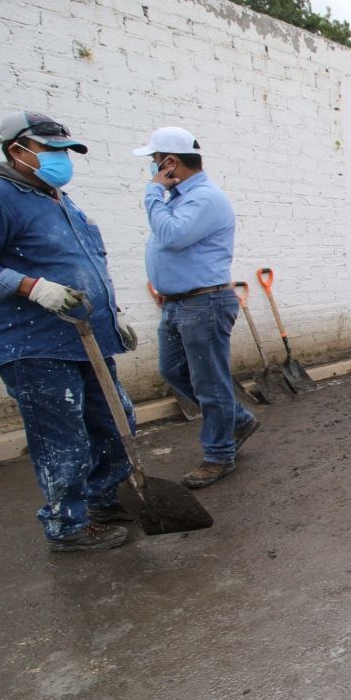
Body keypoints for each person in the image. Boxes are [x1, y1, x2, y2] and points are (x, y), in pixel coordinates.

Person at [0, 111, 134, 552]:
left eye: (67, 151)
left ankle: (103, 501)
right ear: (18, 150)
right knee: (63, 441)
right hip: (36, 343)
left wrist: (112, 314)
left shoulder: (58, 199)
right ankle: (67, 525)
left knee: (115, 422)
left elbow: (87, 263)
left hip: (88, 339)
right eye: (52, 150)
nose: (63, 159)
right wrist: (31, 287)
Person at [133, 126, 257, 489]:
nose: (153, 167)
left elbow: (172, 236)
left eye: (155, 160)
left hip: (203, 303)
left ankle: (218, 454)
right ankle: (237, 420)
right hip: (179, 303)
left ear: (170, 162)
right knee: (174, 371)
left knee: (209, 382)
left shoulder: (204, 198)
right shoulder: (179, 198)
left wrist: (153, 191)